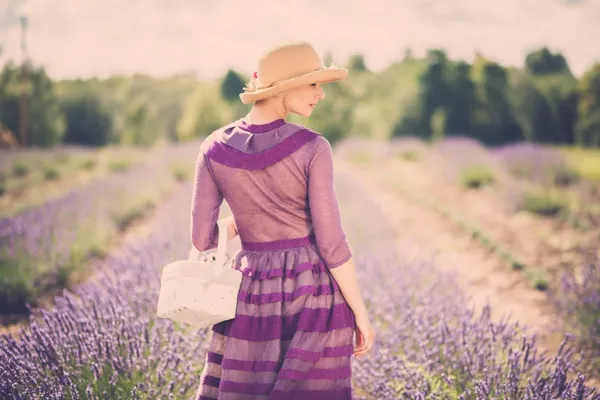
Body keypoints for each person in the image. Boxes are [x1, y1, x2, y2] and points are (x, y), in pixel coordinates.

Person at [191, 41, 375, 400]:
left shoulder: (212, 148)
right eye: (313, 84)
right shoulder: (312, 147)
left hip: (249, 295)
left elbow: (202, 239)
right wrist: (361, 314)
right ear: (286, 86)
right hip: (312, 297)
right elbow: (332, 243)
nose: (320, 94)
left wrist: (239, 223)